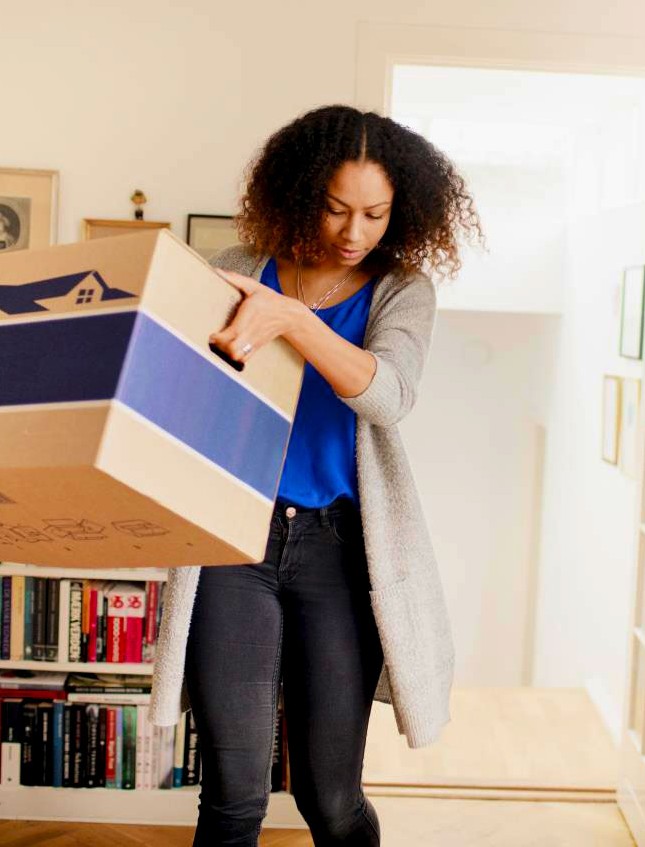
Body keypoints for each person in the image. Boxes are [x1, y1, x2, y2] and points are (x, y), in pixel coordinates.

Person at [149, 104, 482, 846]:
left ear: (404, 213)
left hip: (337, 551)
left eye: (374, 213)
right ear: (301, 194)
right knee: (233, 794)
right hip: (234, 542)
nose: (353, 232)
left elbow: (388, 395)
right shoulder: (239, 268)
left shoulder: (402, 290)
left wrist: (295, 323)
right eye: (336, 209)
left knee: (328, 801)